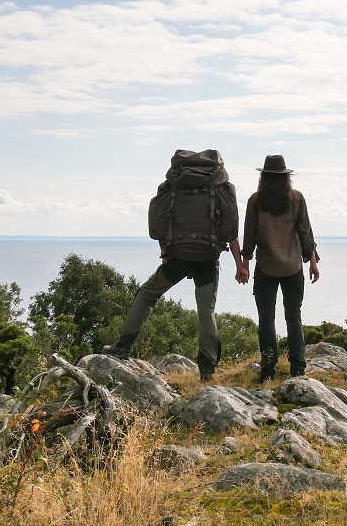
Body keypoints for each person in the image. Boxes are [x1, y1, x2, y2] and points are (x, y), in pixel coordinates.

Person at [103, 149, 249, 380]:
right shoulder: (222, 189)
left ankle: (123, 346)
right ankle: (207, 370)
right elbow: (231, 233)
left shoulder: (172, 186)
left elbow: (159, 223)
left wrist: (165, 253)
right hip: (207, 259)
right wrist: (240, 265)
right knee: (206, 312)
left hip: (178, 256)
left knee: (147, 294)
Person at [241, 154, 320, 381]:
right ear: (287, 178)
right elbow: (305, 233)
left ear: (263, 177)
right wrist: (312, 262)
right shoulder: (296, 199)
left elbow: (249, 236)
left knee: (266, 319)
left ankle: (268, 371)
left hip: (265, 267)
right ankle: (298, 369)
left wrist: (244, 265)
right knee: (293, 317)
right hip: (293, 267)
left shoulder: (256, 201)